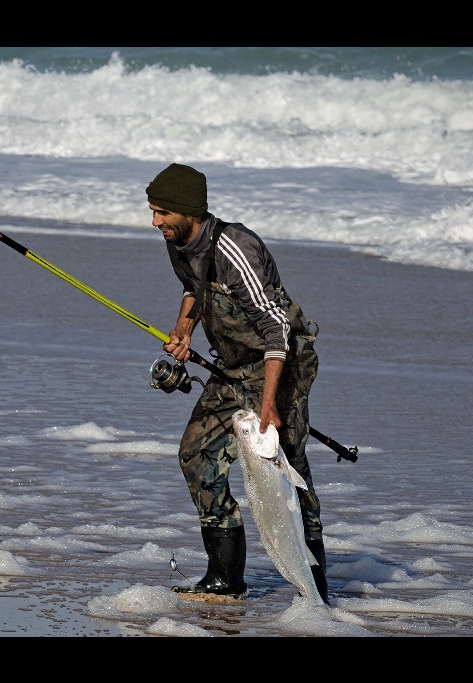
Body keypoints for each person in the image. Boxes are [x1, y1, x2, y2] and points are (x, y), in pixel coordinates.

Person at [147, 162, 329, 603]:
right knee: (195, 455)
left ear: (188, 210)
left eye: (162, 213)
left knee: (288, 467)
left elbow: (277, 331)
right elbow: (194, 289)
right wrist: (184, 330)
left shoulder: (236, 250)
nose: (154, 222)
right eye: (152, 211)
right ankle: (226, 578)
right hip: (230, 366)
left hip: (279, 364)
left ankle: (315, 591)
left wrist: (268, 406)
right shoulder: (179, 241)